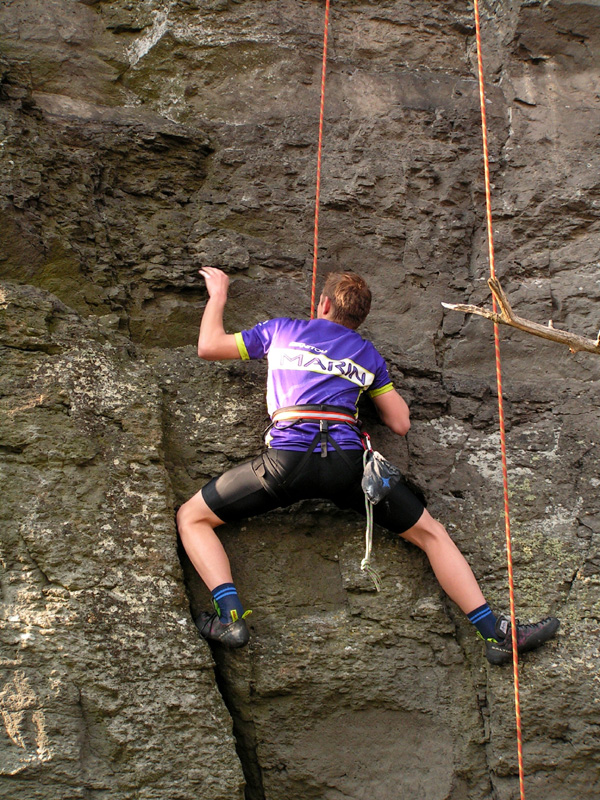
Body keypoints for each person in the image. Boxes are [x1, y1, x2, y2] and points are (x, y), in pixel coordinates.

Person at [176, 267, 559, 665]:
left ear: (323, 303)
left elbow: (209, 346)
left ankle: (230, 617)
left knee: (192, 517)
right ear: (360, 318)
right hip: (349, 465)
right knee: (432, 535)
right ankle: (493, 633)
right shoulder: (367, 354)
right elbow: (399, 422)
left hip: (286, 460)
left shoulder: (280, 331)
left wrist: (218, 294)